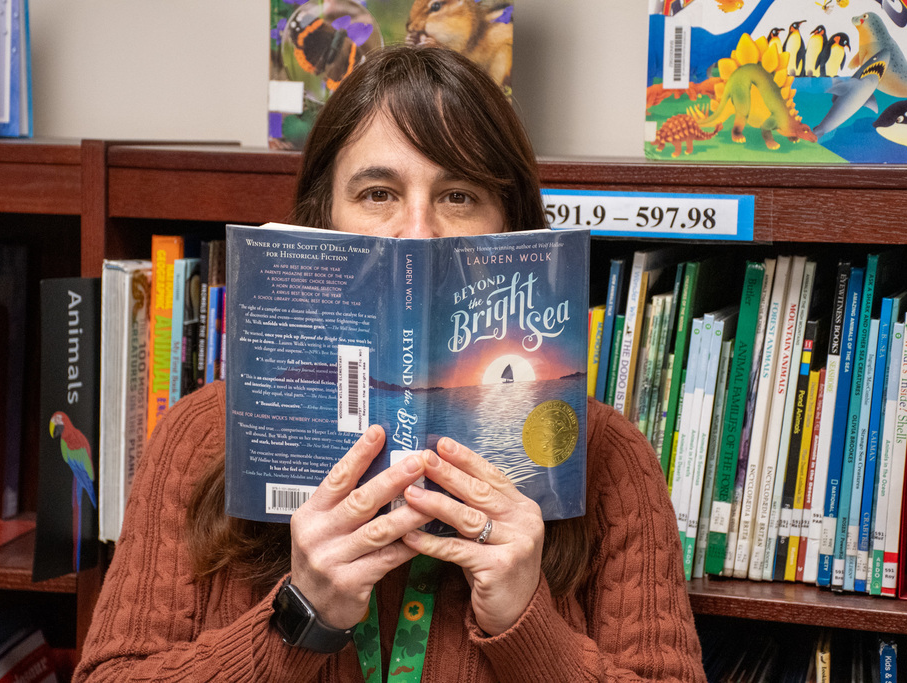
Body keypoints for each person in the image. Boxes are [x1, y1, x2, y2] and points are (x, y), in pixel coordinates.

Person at [74, 45, 706, 682]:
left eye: (459, 196)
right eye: (378, 193)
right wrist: (301, 618)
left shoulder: (612, 460)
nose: (418, 233)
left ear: (513, 231)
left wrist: (526, 624)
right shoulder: (200, 436)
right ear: (324, 221)